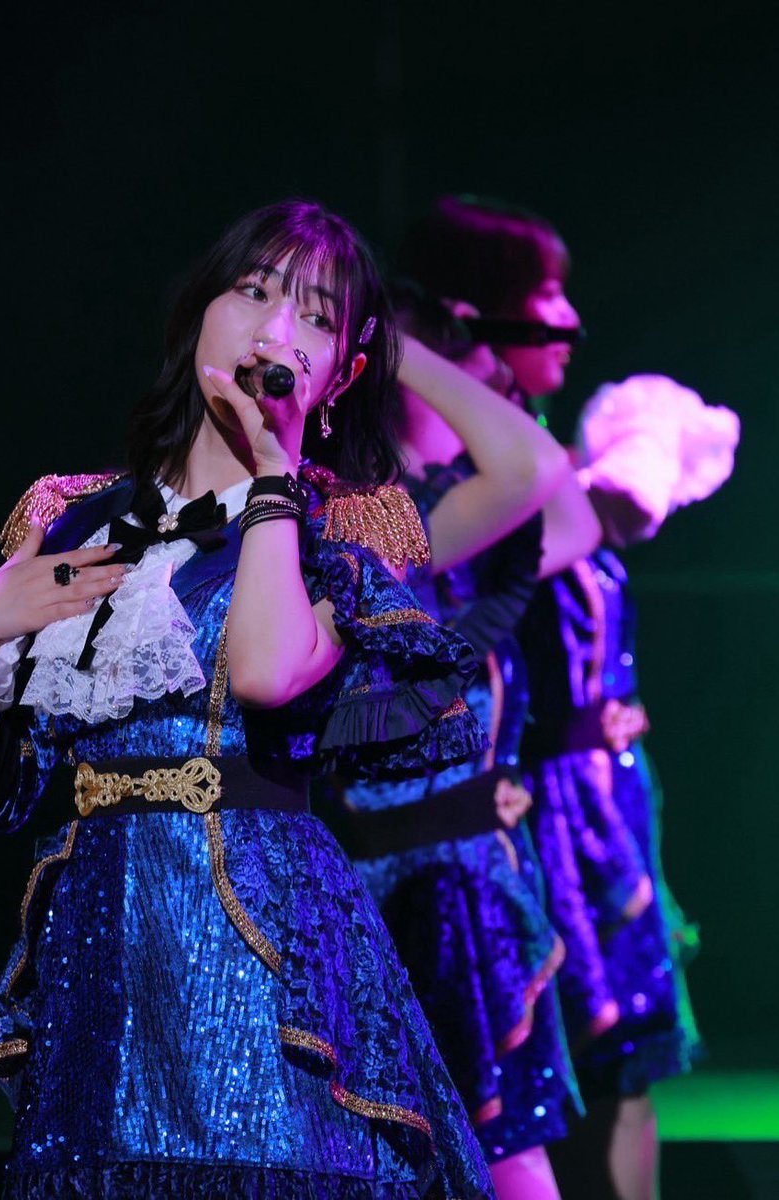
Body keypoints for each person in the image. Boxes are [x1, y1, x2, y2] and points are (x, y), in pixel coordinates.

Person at [0, 200, 504, 1199]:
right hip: (103, 960)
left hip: (263, 955)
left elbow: (264, 671)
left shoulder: (342, 530)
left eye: (314, 315)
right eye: (254, 292)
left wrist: (273, 478)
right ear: (199, 314)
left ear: (343, 372)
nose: (275, 329)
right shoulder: (73, 519)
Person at [399, 195, 735, 1200]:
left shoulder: (531, 463)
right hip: (507, 816)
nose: (569, 320)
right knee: (527, 1097)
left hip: (591, 801)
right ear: (476, 313)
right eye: (545, 295)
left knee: (618, 1071)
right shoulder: (449, 487)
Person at [318, 283, 602, 1200]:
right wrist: (394, 345)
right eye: (463, 368)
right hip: (404, 882)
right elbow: (529, 466)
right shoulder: (370, 531)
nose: (487, 386)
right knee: (452, 1156)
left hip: (469, 871)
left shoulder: (452, 527)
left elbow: (568, 510)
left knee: (501, 1147)